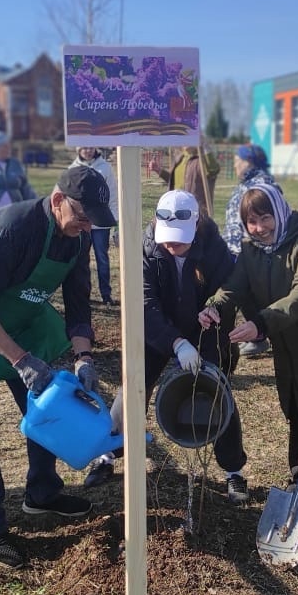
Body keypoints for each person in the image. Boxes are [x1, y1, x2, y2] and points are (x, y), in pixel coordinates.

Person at [0, 163, 115, 569]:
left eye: (94, 221)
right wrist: (21, 360)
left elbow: (78, 302)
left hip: (27, 321)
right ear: (58, 201)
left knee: (46, 411)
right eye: (83, 217)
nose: (88, 227)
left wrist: (84, 356)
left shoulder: (78, 237)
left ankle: (42, 494)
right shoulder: (12, 228)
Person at [83, 189, 249, 503]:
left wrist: (214, 308)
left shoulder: (213, 248)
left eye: (179, 240)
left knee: (217, 389)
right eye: (167, 239)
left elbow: (231, 287)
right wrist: (175, 342)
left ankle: (233, 471)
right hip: (159, 329)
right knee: (133, 386)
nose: (171, 246)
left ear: (196, 226)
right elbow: (144, 303)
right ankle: (107, 454)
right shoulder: (148, 248)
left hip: (205, 329)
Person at [199, 183, 298, 504]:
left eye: (265, 218)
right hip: (287, 346)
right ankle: (297, 474)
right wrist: (214, 306)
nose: (259, 229)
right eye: (251, 222)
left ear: (280, 212)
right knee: (297, 412)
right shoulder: (251, 249)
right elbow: (235, 286)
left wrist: (259, 323)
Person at [222, 144, 276, 357]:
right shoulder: (248, 183)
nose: (235, 165)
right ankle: (257, 334)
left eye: (237, 161)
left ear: (249, 162)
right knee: (244, 294)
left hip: (251, 249)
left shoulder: (261, 185)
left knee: (248, 294)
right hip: (238, 248)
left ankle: (259, 335)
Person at [68, 146, 118, 305]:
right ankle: (83, 294)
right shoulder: (73, 168)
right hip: (81, 223)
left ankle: (106, 294)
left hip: (100, 225)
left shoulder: (105, 168)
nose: (88, 150)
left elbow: (113, 195)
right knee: (81, 260)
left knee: (102, 259)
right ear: (78, 149)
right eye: (84, 147)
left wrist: (114, 220)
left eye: (90, 147)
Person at [147, 141, 220, 219]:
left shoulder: (201, 161)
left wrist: (204, 144)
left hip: (195, 214)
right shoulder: (180, 159)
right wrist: (159, 170)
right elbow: (174, 182)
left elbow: (214, 170)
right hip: (176, 211)